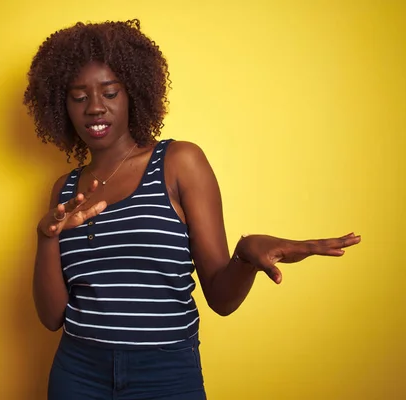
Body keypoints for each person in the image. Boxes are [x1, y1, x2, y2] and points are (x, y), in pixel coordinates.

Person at [23, 19, 360, 400]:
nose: (95, 108)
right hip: (78, 372)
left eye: (110, 93)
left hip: (165, 374)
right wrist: (45, 238)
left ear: (133, 92)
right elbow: (52, 318)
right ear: (61, 104)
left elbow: (221, 298)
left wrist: (245, 256)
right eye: (79, 97)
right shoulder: (65, 189)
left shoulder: (179, 162)